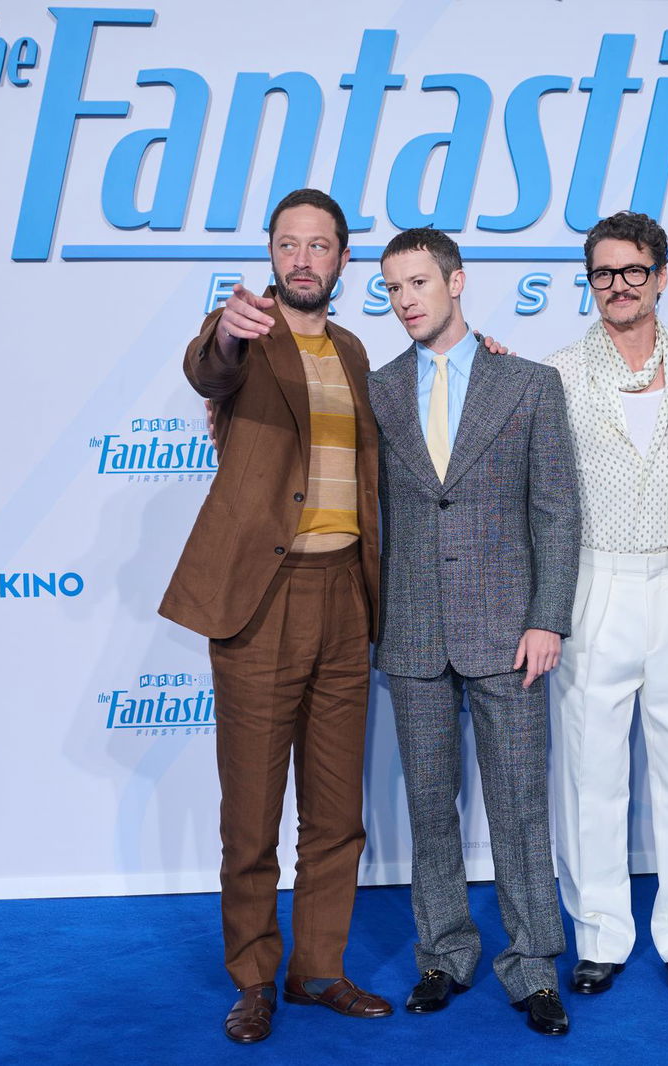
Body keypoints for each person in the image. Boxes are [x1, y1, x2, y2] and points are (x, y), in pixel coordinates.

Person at [159, 188, 392, 1044]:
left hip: (346, 599)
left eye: (319, 246)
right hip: (262, 598)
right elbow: (206, 368)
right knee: (251, 811)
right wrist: (225, 332)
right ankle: (254, 977)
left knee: (336, 811)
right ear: (269, 255)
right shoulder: (247, 339)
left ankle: (319, 969)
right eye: (288, 244)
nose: (302, 258)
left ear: (341, 261)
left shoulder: (358, 350)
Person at [368, 227, 581, 1036]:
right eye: (392, 288)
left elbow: (557, 509)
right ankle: (443, 955)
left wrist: (546, 617)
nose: (406, 300)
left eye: (418, 282)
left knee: (522, 807)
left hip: (510, 632)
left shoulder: (528, 383)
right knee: (428, 808)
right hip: (415, 630)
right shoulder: (379, 388)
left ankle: (534, 968)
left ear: (458, 282)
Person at [543, 212, 668, 995]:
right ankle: (602, 935)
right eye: (603, 273)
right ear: (591, 282)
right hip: (594, 581)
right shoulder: (557, 374)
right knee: (589, 768)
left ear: (662, 276)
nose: (618, 286)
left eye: (633, 271)